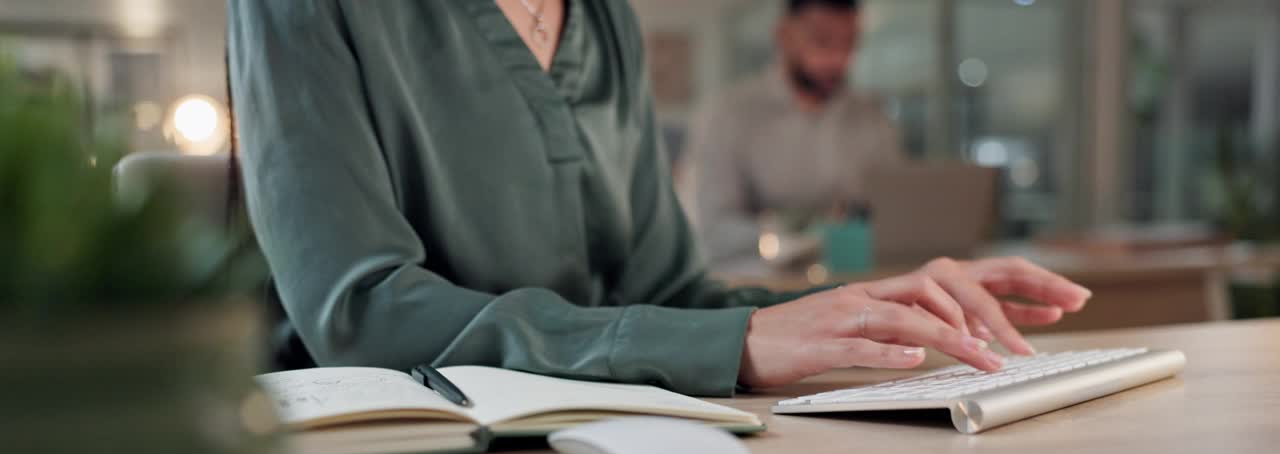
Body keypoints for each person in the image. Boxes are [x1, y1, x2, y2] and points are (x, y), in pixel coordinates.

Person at [227, 0, 1090, 399]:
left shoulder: (604, 20)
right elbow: (359, 309)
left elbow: (671, 298)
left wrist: (856, 308)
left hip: (602, 434)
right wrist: (732, 338)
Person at [686, 0, 900, 272]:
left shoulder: (872, 117)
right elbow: (714, 230)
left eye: (849, 44)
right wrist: (793, 235)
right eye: (822, 41)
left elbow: (894, 213)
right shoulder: (728, 116)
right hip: (762, 284)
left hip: (855, 278)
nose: (838, 58)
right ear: (784, 36)